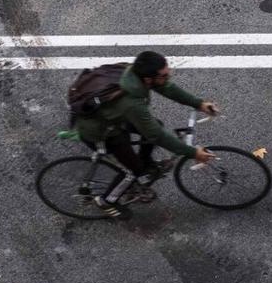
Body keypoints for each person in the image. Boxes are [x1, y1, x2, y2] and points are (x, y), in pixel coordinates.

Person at [74, 51, 218, 219]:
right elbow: (157, 136)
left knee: (155, 125)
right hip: (102, 132)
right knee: (134, 169)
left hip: (113, 117)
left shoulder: (136, 73)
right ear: (148, 79)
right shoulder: (130, 103)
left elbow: (166, 87)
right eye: (164, 74)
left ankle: (146, 163)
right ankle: (107, 201)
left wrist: (198, 104)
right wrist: (193, 153)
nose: (168, 75)